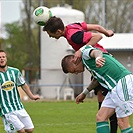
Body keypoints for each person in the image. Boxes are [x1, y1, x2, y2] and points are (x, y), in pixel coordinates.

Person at [43, 16, 117, 132]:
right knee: (102, 101)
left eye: (50, 34)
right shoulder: (72, 26)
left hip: (100, 61)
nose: (50, 36)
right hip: (98, 61)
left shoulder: (72, 35)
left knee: (110, 107)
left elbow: (97, 36)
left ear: (58, 31)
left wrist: (81, 50)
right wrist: (107, 32)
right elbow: (97, 27)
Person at [61, 44, 133, 133]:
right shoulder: (88, 65)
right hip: (113, 88)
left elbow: (97, 52)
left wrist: (98, 58)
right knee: (101, 117)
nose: (76, 73)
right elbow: (96, 80)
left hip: (122, 83)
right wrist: (84, 93)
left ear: (74, 60)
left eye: (74, 70)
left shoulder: (84, 55)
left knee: (122, 123)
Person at [0, 50, 40, 133]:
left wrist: (32, 96)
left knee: (30, 129)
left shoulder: (15, 71)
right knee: (21, 131)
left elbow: (24, 85)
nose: (1, 59)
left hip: (18, 106)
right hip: (6, 109)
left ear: (6, 58)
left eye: (3, 57)